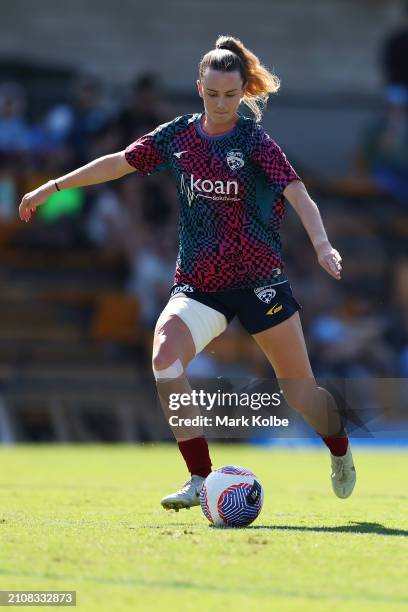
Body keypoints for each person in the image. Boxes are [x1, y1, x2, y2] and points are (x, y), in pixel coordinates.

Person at [19, 35, 356, 509]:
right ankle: (200, 477)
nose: (221, 104)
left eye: (231, 95)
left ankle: (339, 448)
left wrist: (323, 246)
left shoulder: (255, 142)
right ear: (200, 87)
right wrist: (53, 186)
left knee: (300, 392)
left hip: (260, 282)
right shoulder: (177, 137)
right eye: (213, 93)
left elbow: (298, 194)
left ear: (243, 93)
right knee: (164, 358)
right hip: (200, 285)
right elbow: (118, 164)